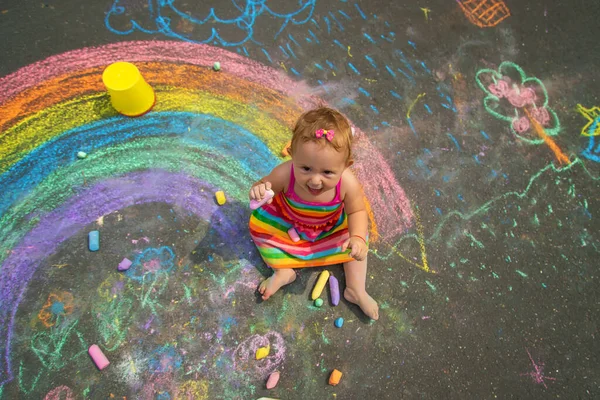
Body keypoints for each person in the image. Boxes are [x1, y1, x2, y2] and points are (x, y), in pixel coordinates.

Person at [248, 107, 379, 320]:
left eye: (327, 172)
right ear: (292, 155)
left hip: (328, 227)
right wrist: (259, 189)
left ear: (346, 166)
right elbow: (264, 185)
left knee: (357, 243)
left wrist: (356, 238)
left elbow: (356, 210)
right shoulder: (285, 173)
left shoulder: (347, 183)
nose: (315, 180)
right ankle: (283, 271)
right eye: (306, 169)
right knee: (260, 230)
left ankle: (356, 289)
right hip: (287, 221)